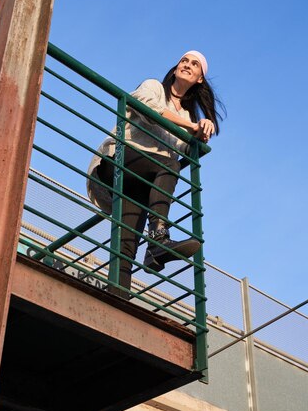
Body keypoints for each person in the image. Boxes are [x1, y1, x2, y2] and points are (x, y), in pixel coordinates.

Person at [87, 51, 225, 298]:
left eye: (194, 64)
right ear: (175, 68)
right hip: (117, 161)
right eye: (184, 60)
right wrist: (191, 126)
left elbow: (183, 148)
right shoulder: (153, 87)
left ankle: (118, 299)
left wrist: (201, 131)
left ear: (200, 79)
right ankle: (158, 240)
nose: (187, 65)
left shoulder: (187, 117)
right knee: (169, 166)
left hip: (141, 179)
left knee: (126, 246)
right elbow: (147, 107)